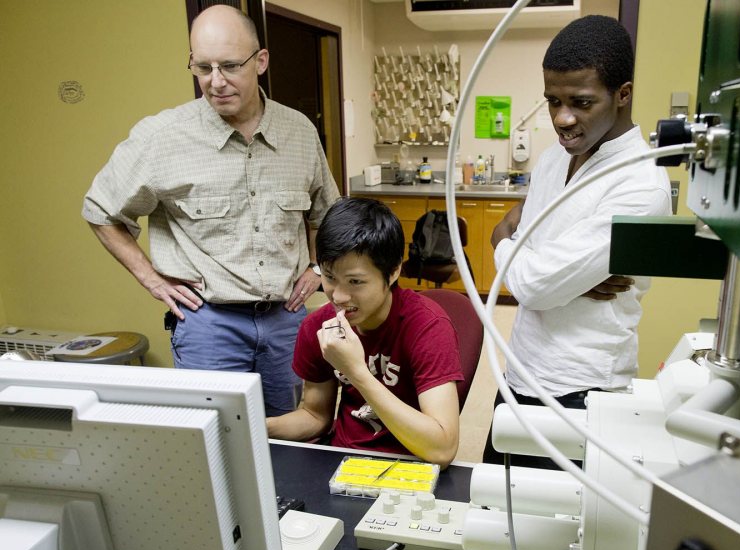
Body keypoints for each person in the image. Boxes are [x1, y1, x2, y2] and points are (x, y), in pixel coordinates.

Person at [81, 5, 339, 417]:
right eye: (203, 67)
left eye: (231, 66)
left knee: (296, 435)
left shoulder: (299, 132)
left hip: (285, 320)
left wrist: (317, 269)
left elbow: (326, 215)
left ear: (261, 61)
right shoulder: (162, 137)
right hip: (208, 324)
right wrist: (151, 279)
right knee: (218, 444)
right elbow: (99, 209)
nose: (215, 82)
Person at [483, 15, 672, 464]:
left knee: (561, 528)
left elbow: (533, 285)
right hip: (520, 374)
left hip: (581, 390)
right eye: (553, 101)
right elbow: (521, 238)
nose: (562, 119)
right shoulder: (553, 159)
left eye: (581, 103)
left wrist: (507, 245)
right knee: (495, 510)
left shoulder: (640, 185)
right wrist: (552, 269)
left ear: (622, 94)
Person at [266, 197, 463, 469]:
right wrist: (260, 428)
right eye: (330, 277)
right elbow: (315, 415)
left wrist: (356, 372)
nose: (339, 296)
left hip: (411, 465)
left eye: (356, 282)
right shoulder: (319, 327)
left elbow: (442, 449)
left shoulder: (427, 326)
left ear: (393, 271)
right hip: (344, 462)